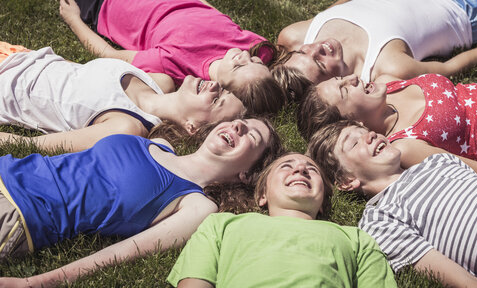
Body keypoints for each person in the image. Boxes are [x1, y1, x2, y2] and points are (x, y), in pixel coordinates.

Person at [0, 118, 282, 287]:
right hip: (8, 168)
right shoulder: (159, 142)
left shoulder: (197, 206)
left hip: (21, 213)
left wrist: (36, 282)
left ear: (247, 174)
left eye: (251, 135)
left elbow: (122, 253)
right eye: (241, 120)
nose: (239, 124)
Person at [1, 0, 286, 114]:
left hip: (108, 3)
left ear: (220, 87)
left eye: (238, 66)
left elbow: (110, 56)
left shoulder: (176, 67)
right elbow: (215, 14)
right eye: (254, 62)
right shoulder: (254, 47)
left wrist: (73, 20)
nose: (242, 56)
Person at [167, 152, 397, 288]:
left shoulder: (355, 238)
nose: (300, 169)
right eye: (286, 166)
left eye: (312, 170)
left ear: (324, 202)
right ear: (262, 195)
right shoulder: (221, 225)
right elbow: (195, 281)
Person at [273, 0, 477, 102]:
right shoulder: (385, 65)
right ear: (328, 87)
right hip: (462, 6)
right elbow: (447, 68)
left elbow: (323, 16)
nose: (318, 48)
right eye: (320, 63)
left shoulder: (294, 36)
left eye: (303, 52)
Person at [307, 120, 477, 287]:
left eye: (366, 130)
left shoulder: (438, 161)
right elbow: (459, 279)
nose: (370, 135)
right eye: (354, 143)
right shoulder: (380, 218)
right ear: (346, 180)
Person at [0, 42, 246, 152]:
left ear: (192, 127)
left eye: (216, 100)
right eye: (222, 90)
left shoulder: (127, 126)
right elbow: (77, 72)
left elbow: (39, 146)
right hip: (17, 54)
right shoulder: (161, 81)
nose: (214, 85)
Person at [298, 73, 477, 180]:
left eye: (341, 78)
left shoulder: (387, 84)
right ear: (351, 123)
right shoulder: (405, 145)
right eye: (345, 90)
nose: (353, 78)